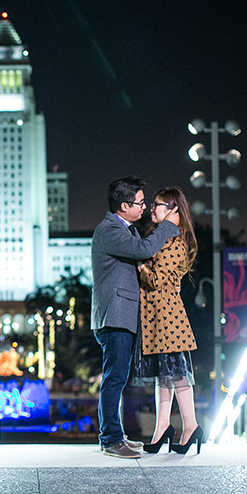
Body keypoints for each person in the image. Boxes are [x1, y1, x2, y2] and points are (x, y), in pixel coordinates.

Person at [90, 177, 179, 458]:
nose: (144, 207)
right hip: (115, 316)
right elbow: (144, 251)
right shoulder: (109, 230)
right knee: (114, 379)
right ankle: (111, 440)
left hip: (122, 315)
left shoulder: (125, 229)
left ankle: (116, 436)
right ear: (125, 205)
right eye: (140, 203)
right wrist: (167, 226)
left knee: (117, 378)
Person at [133, 186, 203, 455]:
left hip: (169, 318)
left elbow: (156, 279)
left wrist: (140, 266)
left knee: (176, 374)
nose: (153, 209)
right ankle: (163, 428)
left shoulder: (176, 241)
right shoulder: (163, 237)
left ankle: (191, 426)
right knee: (164, 376)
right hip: (156, 317)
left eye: (159, 205)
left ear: (174, 210)